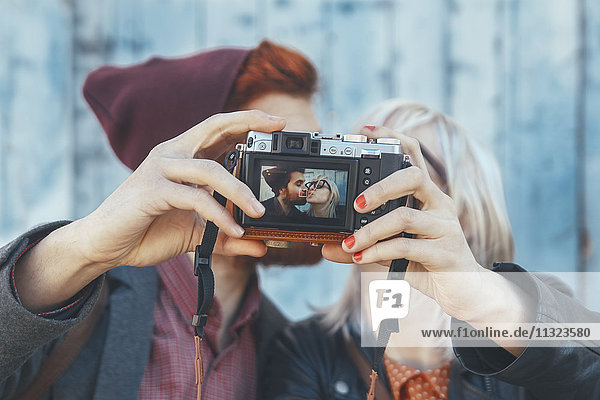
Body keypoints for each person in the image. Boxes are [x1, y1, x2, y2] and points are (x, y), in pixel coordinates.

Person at [0, 40, 322, 400]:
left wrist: (393, 274)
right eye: (282, 152)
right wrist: (83, 253)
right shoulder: (69, 308)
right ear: (194, 165)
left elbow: (396, 352)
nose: (310, 177)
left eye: (318, 150)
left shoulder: (294, 349)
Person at [264, 99, 600, 399]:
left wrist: (488, 303)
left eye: (398, 170)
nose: (373, 190)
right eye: (360, 165)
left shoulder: (535, 317)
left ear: (466, 214)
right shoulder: (303, 350)